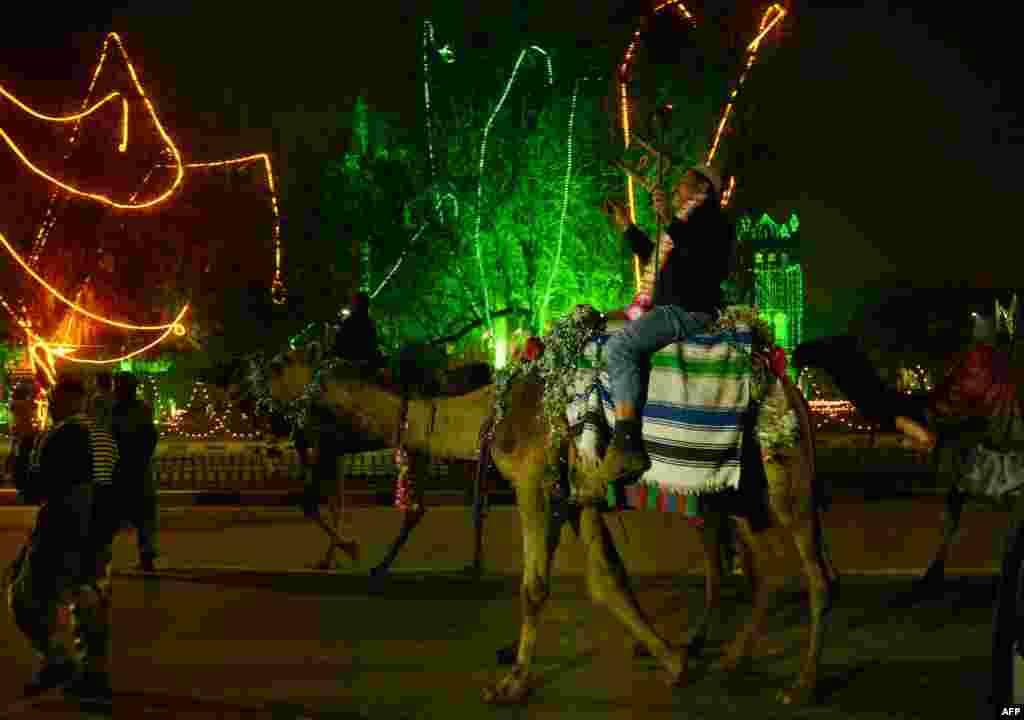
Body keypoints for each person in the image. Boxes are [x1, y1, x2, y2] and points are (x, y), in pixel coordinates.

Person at [592, 163, 733, 487]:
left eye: (682, 184)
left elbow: (699, 258)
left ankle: (627, 443)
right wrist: (627, 225)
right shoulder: (686, 222)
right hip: (670, 308)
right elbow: (657, 256)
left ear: (703, 190)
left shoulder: (714, 222)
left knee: (620, 346)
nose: (674, 188)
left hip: (687, 310)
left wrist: (668, 218)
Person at [7, 375, 117, 700]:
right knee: (86, 599)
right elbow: (112, 483)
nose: (49, 405)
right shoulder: (101, 434)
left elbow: (32, 488)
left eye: (54, 399)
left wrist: (25, 438)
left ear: (73, 400)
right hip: (94, 527)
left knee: (24, 597)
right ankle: (90, 673)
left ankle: (58, 660)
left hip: (62, 527)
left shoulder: (62, 435)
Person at [792, 335, 937, 449]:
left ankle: (923, 437)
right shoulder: (879, 405)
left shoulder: (879, 408)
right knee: (880, 408)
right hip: (855, 374)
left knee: (880, 409)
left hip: (854, 374)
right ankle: (923, 437)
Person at [295, 406, 359, 567]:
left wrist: (310, 467)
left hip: (324, 463)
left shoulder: (315, 413)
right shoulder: (333, 412)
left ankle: (342, 545)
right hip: (335, 461)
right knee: (334, 511)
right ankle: (331, 557)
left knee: (310, 507)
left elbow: (316, 440)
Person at [110, 372, 160, 571]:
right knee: (142, 513)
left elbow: (147, 437)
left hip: (127, 467)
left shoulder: (118, 411)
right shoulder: (141, 409)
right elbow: (150, 437)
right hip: (135, 467)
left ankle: (145, 554)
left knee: (114, 513)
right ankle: (146, 554)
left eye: (120, 386)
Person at [333, 291, 379, 367]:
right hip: (364, 364)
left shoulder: (348, 322)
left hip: (349, 363)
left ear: (355, 304)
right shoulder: (370, 323)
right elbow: (373, 345)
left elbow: (339, 345)